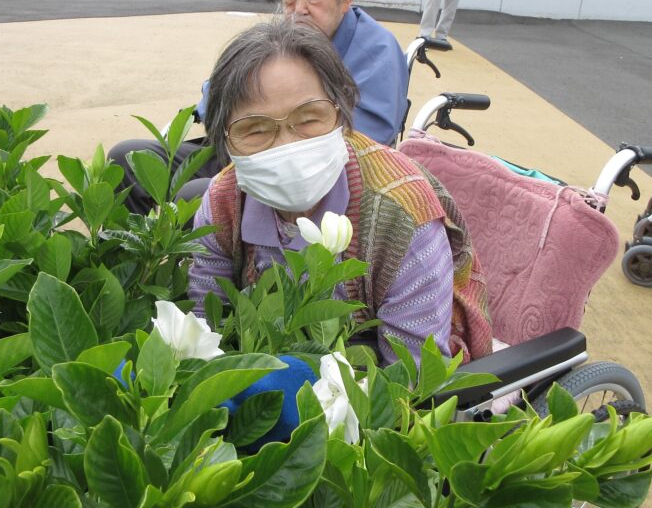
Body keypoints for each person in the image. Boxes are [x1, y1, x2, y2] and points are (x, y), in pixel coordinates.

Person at [188, 19, 492, 365]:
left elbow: (409, 375)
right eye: (255, 129)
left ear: (342, 115)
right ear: (225, 141)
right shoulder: (223, 203)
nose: (288, 145)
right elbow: (206, 328)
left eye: (308, 119)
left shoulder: (404, 218)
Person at [109, 0, 409, 214]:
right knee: (128, 158)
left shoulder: (378, 52)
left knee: (195, 197)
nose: (299, 8)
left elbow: (358, 148)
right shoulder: (283, 36)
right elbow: (216, 93)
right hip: (242, 152)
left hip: (303, 181)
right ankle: (141, 263)